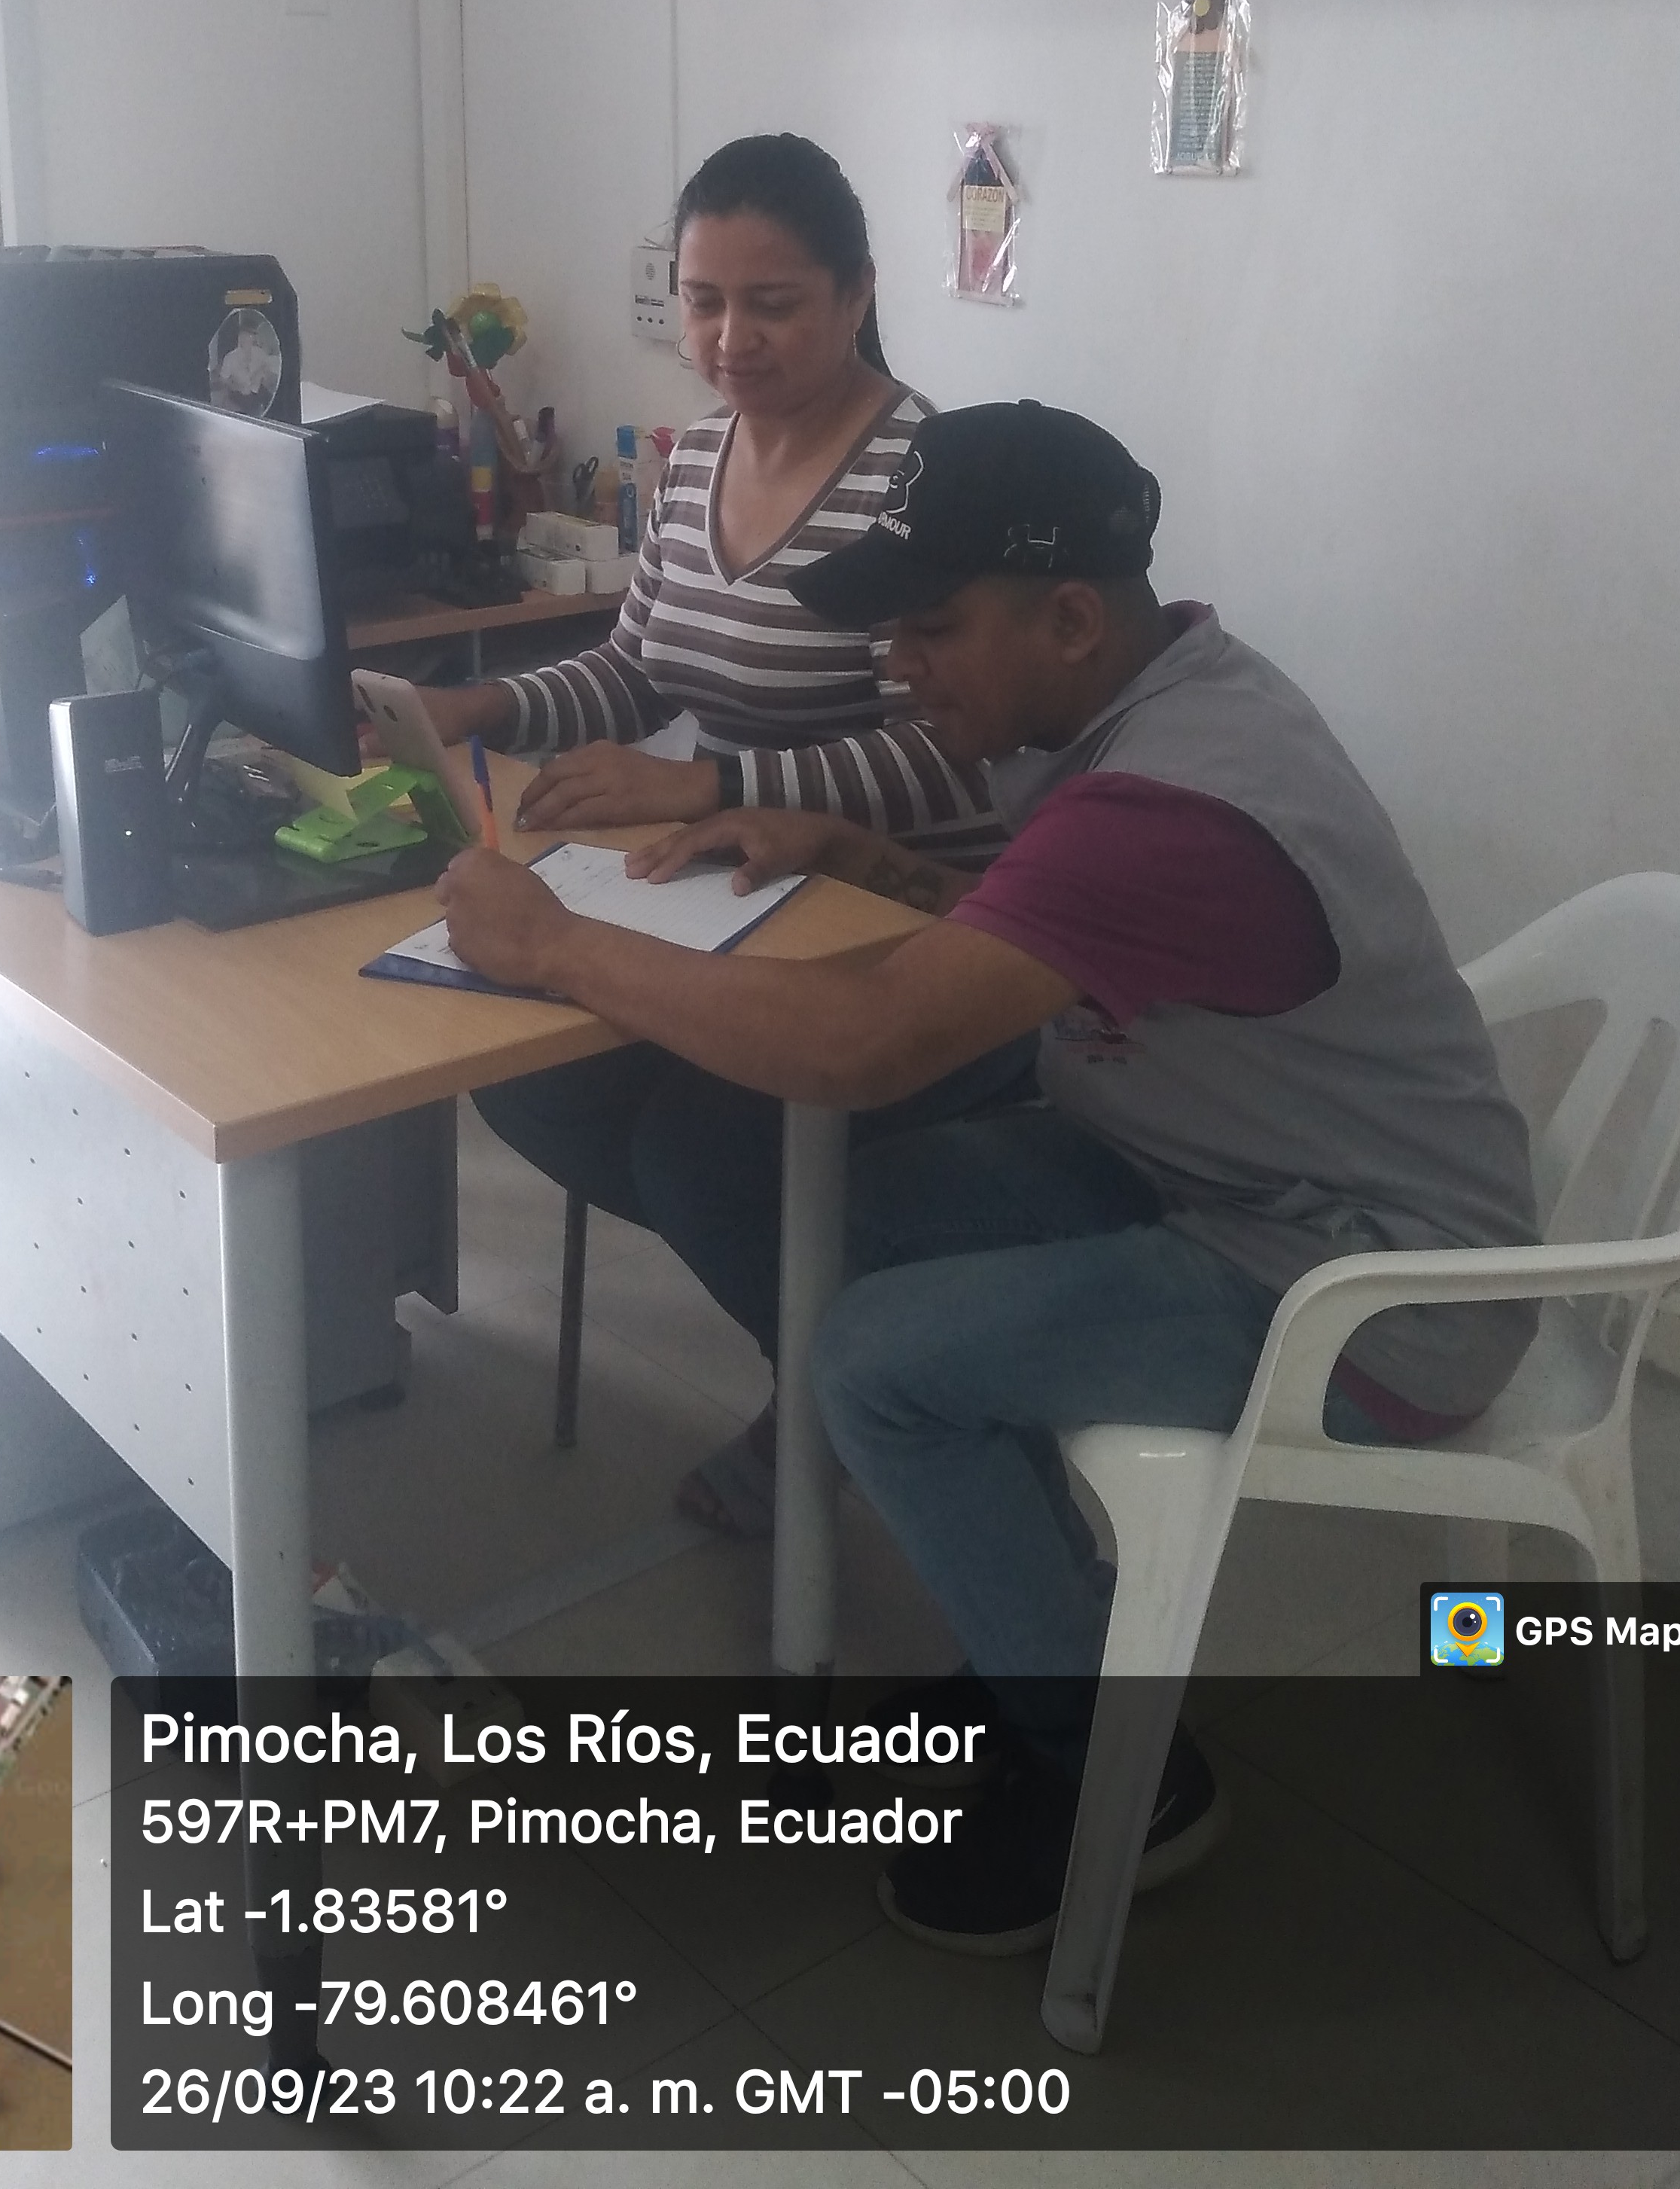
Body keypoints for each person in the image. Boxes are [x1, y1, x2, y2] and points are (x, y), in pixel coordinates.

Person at [437, 401, 1538, 1953]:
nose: (902, 666)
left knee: (873, 1359)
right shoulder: (1162, 698)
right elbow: (1034, 922)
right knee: (841, 1219)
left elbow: (866, 1045)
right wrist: (850, 850)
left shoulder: (1167, 802)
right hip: (1208, 1173)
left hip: (1367, 1290)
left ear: (1071, 617)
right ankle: (1048, 1627)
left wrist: (554, 946)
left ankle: (1120, 1772)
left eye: (933, 629)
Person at [422, 133, 1014, 1532]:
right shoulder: (694, 462)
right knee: (526, 1075)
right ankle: (836, 1346)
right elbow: (638, 669)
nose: (730, 340)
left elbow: (957, 751)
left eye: (774, 304)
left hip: (910, 915)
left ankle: (850, 1395)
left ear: (857, 295)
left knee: (700, 1145)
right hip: (737, 897)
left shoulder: (926, 480)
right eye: (703, 302)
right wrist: (480, 705)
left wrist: (718, 784)